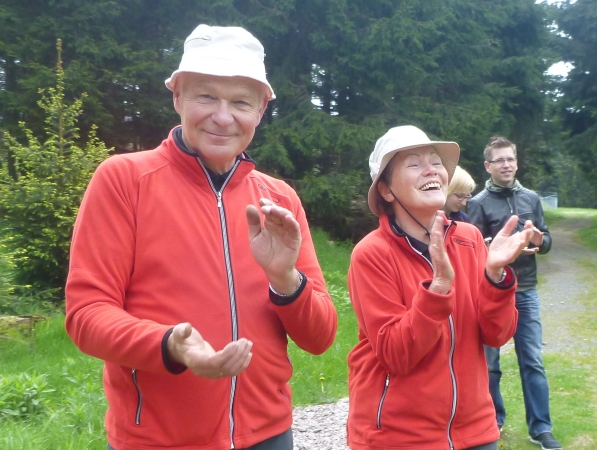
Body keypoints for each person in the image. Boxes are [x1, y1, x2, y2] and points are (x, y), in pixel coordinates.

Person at [65, 24, 338, 450]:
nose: (223, 117)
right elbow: (87, 314)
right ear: (177, 96)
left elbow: (320, 339)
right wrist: (170, 345)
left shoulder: (279, 198)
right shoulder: (124, 180)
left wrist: (286, 280)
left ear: (261, 109)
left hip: (269, 434)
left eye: (241, 102)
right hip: (157, 440)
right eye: (206, 96)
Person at [346, 125, 534, 450]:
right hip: (399, 437)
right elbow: (396, 355)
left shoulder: (469, 238)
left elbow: (497, 335)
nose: (432, 169)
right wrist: (438, 289)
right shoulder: (372, 254)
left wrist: (495, 276)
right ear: (386, 191)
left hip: (476, 429)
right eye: (414, 163)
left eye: (435, 161)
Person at [467, 136, 561, 450]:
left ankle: (541, 428)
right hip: (491, 292)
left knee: (532, 360)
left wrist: (539, 241)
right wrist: (499, 250)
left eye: (510, 159)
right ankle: (492, 422)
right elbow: (472, 250)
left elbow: (546, 241)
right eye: (499, 160)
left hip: (526, 290)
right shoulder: (478, 203)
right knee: (489, 364)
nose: (506, 165)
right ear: (488, 166)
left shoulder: (531, 198)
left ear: (517, 163)